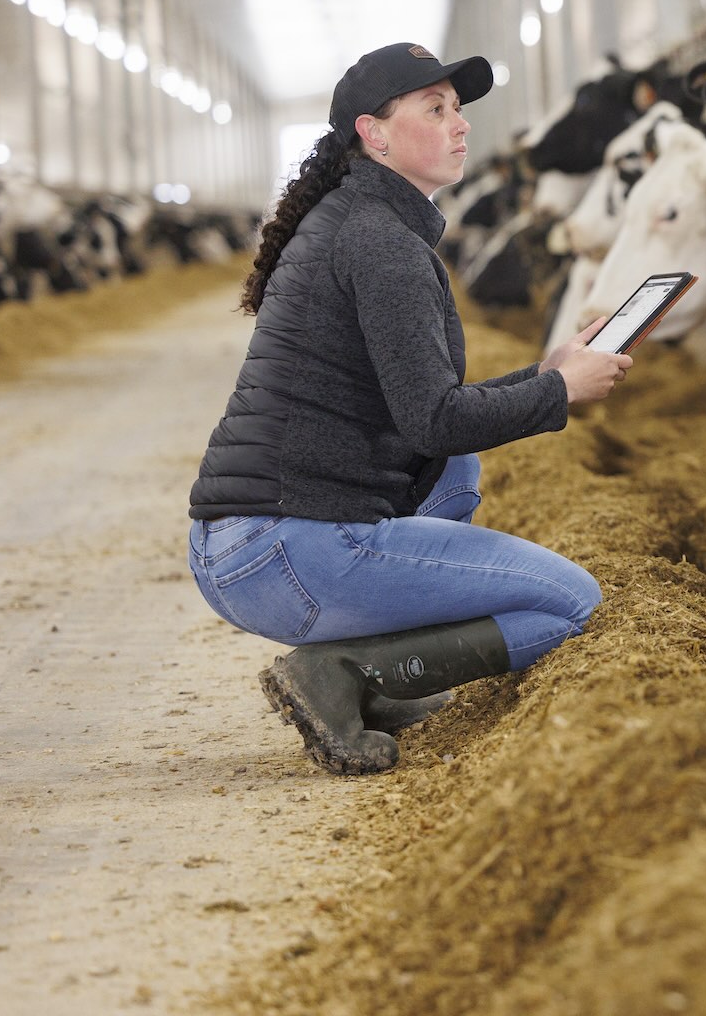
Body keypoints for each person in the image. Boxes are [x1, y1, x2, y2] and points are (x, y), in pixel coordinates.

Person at [185, 42, 631, 776]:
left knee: (455, 468)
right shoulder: (380, 242)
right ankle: (350, 672)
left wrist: (545, 372)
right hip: (282, 553)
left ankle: (373, 667)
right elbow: (435, 419)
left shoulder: (360, 219)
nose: (460, 126)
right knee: (573, 604)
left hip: (251, 542)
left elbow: (429, 413)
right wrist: (559, 394)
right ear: (375, 133)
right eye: (435, 108)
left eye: (458, 109)